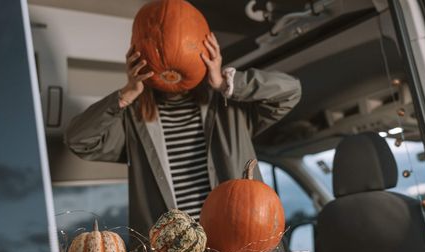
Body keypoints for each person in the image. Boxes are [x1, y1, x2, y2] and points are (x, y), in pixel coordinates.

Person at [64, 32, 302, 241]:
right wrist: (126, 94)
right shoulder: (133, 121)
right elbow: (79, 139)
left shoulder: (228, 106)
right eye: (159, 50)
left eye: (184, 47)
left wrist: (224, 82)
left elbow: (290, 91)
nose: (171, 55)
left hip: (239, 248)